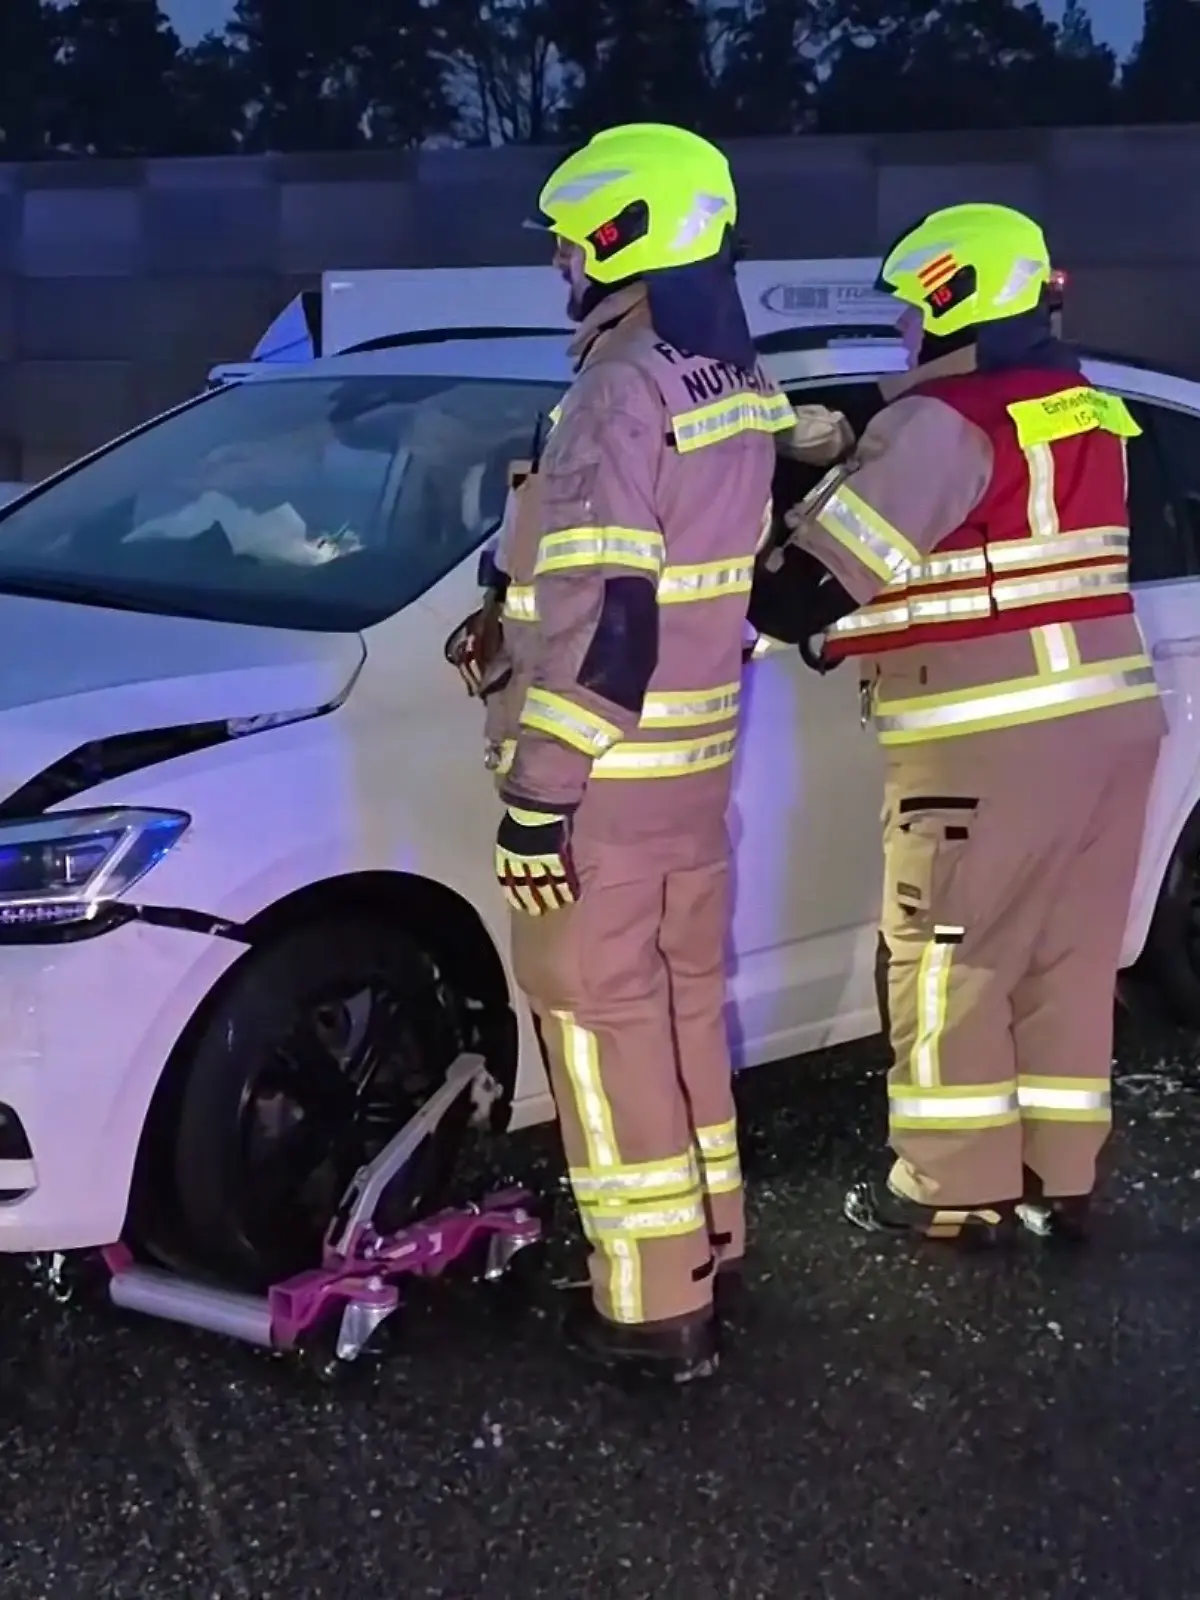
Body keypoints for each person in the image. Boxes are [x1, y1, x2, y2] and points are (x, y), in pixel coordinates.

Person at [464, 121, 824, 1384]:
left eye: (573, 238)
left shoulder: (617, 391)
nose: (562, 261)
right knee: (676, 1014)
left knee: (600, 1033)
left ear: (624, 232)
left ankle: (651, 1304)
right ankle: (709, 1244)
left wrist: (536, 799)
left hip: (605, 793)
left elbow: (607, 622)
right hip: (692, 780)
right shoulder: (730, 378)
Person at [753, 202, 1166, 1247]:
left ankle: (948, 1187)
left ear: (952, 298)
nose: (903, 329)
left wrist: (772, 501)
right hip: (1110, 725)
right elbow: (987, 554)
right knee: (1067, 962)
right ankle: (1056, 1175)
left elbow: (806, 590)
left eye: (910, 308)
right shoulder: (1082, 407)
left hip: (987, 741)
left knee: (949, 959)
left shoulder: (940, 426)